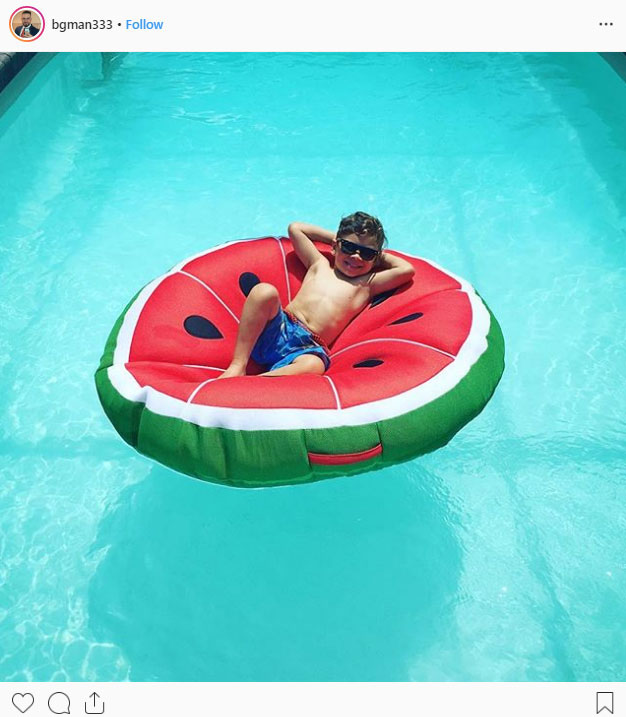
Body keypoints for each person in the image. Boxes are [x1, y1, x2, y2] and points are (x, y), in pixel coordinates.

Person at [219, 211, 415, 378]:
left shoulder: (366, 284)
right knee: (264, 291)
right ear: (335, 245)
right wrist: (340, 241)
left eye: (366, 253)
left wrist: (376, 256)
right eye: (348, 247)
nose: (356, 256)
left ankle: (258, 381)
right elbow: (296, 228)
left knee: (315, 366)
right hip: (280, 327)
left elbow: (406, 270)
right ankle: (238, 365)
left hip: (307, 347)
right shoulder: (318, 264)